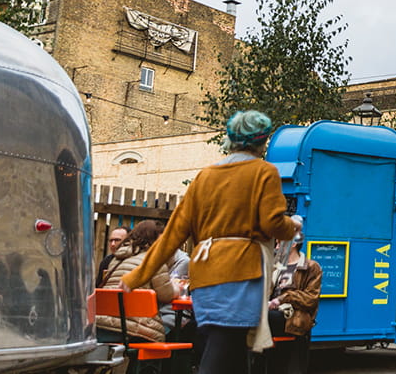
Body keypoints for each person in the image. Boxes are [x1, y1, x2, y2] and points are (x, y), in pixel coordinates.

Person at [120, 110, 300, 374]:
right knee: (224, 346)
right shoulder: (264, 172)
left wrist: (138, 275)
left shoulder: (205, 176)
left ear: (230, 139)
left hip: (204, 273)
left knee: (233, 351)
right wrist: (292, 226)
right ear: (263, 141)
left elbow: (173, 233)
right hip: (242, 273)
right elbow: (272, 223)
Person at [97, 221, 175, 343]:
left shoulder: (116, 260)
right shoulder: (154, 261)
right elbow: (167, 296)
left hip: (102, 325)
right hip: (134, 331)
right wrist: (177, 289)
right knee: (174, 328)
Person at [264, 216, 321, 374]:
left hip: (294, 317)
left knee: (259, 318)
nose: (276, 245)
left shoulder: (311, 267)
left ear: (293, 243)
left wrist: (282, 299)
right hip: (273, 315)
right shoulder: (276, 266)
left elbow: (310, 299)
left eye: (279, 242)